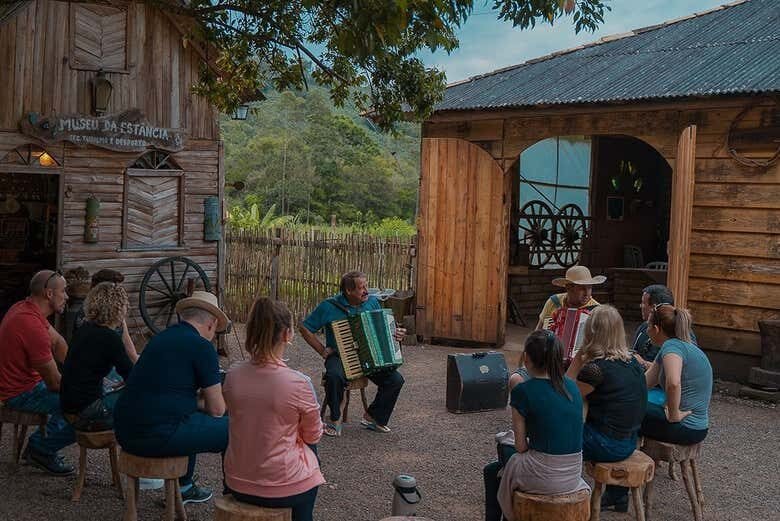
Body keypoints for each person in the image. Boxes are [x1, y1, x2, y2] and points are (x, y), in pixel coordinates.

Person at [114, 291, 229, 504]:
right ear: (212, 324)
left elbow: (167, 392)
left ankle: (184, 486)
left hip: (125, 432)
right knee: (235, 429)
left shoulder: (160, 338)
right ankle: (234, 495)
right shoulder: (202, 347)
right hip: (156, 436)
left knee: (189, 414)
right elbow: (217, 410)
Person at [224, 298, 324, 521]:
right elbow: (313, 435)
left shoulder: (233, 375)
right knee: (310, 454)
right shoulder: (298, 383)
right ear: (287, 334)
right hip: (283, 486)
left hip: (236, 481)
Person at [483, 330, 588, 521]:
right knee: (494, 469)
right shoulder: (572, 386)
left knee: (500, 459)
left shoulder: (523, 391)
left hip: (546, 476)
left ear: (527, 359)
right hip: (573, 473)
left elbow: (521, 446)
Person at [299, 271, 405, 437]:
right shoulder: (329, 306)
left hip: (370, 356)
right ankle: (335, 419)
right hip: (340, 356)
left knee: (395, 380)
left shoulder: (372, 302)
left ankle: (373, 417)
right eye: (362, 288)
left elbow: (383, 328)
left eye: (366, 286)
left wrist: (396, 334)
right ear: (348, 291)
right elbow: (304, 328)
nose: (366, 291)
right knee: (334, 376)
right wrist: (322, 350)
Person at [566, 305, 647, 512]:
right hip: (630, 441)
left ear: (590, 331)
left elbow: (565, 397)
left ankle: (560, 489)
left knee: (558, 431)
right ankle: (617, 496)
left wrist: (577, 359)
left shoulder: (595, 369)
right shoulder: (634, 362)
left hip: (606, 445)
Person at [0, 270, 74, 475]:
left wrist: (77, 369)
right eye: (64, 291)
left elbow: (58, 342)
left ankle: (42, 446)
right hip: (18, 393)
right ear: (49, 294)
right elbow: (55, 384)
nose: (67, 296)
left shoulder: (26, 309)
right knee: (82, 405)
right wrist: (83, 385)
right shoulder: (30, 324)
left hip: (27, 385)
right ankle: (40, 449)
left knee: (90, 389)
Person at [60, 282, 135, 431]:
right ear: (118, 308)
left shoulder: (85, 329)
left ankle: (41, 447)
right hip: (89, 408)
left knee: (116, 380)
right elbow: (132, 375)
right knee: (144, 395)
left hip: (69, 402)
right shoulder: (109, 337)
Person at [641, 304, 712, 446]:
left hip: (686, 427)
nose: (647, 331)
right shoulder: (676, 346)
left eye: (648, 327)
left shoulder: (671, 346)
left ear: (656, 329)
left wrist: (674, 415)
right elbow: (644, 383)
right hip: (696, 428)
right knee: (627, 405)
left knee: (624, 411)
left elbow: (673, 382)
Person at [73, 269, 138, 363]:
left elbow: (127, 342)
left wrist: (136, 362)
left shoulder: (117, 311)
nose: (121, 293)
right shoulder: (86, 314)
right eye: (116, 290)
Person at [632, 284, 697, 369]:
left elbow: (681, 371)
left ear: (654, 307)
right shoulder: (643, 328)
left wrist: (644, 364)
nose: (641, 306)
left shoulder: (682, 333)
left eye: (643, 303)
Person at [536, 265, 605, 330]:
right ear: (569, 288)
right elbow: (539, 331)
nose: (587, 293)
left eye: (589, 288)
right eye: (582, 288)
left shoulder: (597, 311)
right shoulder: (554, 302)